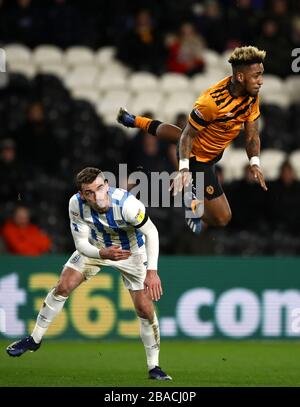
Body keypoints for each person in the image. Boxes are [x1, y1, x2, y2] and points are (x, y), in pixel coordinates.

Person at [6, 167, 171, 381]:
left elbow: (151, 232)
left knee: (144, 309)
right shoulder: (75, 204)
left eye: (100, 188)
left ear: (107, 186)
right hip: (96, 248)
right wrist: (102, 252)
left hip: (131, 254)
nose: (97, 195)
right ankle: (34, 339)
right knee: (63, 285)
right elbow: (81, 243)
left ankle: (154, 366)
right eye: (89, 192)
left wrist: (152, 271)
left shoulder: (128, 205)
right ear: (82, 195)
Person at [117, 45, 268, 235]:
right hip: (198, 159)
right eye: (257, 75)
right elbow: (188, 136)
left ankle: (134, 120)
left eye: (261, 74)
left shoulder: (252, 95)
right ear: (240, 77)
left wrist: (254, 162)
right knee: (223, 218)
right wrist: (184, 169)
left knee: (177, 134)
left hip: (213, 152)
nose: (261, 81)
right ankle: (191, 205)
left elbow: (252, 134)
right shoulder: (211, 103)